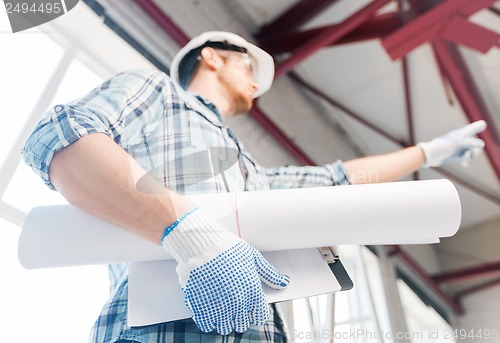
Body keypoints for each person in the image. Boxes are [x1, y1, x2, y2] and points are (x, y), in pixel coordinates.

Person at [21, 31, 486, 343]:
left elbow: (340, 181)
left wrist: (428, 152)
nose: (255, 82)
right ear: (211, 56)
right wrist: (192, 235)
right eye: (247, 65)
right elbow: (59, 139)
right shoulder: (156, 91)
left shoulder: (249, 173)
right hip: (159, 329)